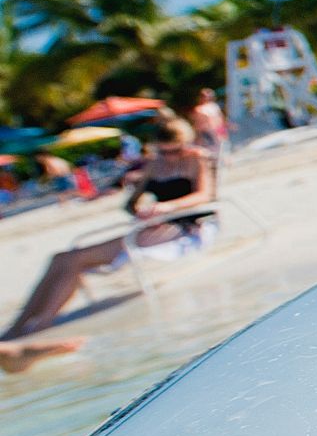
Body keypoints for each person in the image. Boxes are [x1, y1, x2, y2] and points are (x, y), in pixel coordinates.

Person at [6, 119, 216, 342]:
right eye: (164, 152)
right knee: (60, 259)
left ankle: (39, 326)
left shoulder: (197, 159)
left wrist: (167, 207)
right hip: (151, 227)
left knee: (72, 261)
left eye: (175, 150)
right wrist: (141, 210)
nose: (170, 156)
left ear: (185, 143)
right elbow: (130, 203)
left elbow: (205, 195)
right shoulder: (155, 164)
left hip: (183, 227)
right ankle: (18, 327)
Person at [190, 88, 230, 160]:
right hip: (206, 133)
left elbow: (220, 118)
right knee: (210, 152)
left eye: (208, 95)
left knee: (221, 148)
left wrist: (224, 127)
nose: (206, 98)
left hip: (217, 130)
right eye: (204, 96)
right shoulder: (199, 109)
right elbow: (197, 124)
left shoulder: (214, 106)